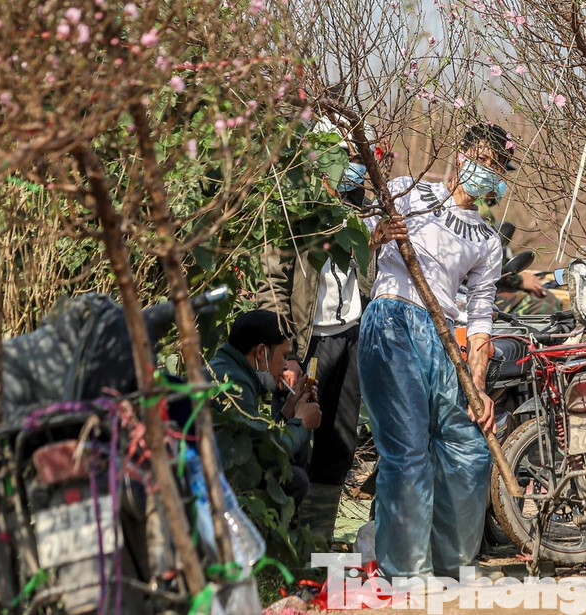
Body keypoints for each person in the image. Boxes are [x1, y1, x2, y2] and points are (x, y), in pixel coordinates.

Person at [358, 123, 511, 583]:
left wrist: (478, 387)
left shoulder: (486, 241)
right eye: (481, 158)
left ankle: (456, 562)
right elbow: (358, 239)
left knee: (468, 446)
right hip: (392, 319)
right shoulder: (406, 191)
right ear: (460, 154)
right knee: (407, 450)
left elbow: (481, 318)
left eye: (496, 166)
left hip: (444, 336)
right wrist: (381, 231)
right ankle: (406, 570)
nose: (485, 170)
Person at [298, 120, 381, 545]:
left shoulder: (360, 207)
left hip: (349, 333)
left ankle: (319, 538)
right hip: (312, 339)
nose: (353, 166)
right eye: (345, 155)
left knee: (340, 438)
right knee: (299, 435)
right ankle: (293, 541)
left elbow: (367, 274)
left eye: (356, 156)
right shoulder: (301, 207)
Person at [208, 310, 322, 507]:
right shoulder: (235, 384)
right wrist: (301, 423)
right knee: (294, 481)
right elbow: (262, 456)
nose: (285, 366)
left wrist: (289, 409)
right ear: (261, 352)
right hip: (216, 488)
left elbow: (258, 438)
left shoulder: (229, 368)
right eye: (284, 356)